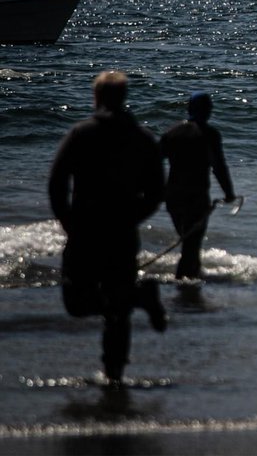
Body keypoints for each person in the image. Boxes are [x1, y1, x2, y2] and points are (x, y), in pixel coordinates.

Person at [48, 70, 167, 384]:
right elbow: (156, 191)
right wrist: (133, 218)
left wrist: (68, 222)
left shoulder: (81, 133)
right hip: (122, 233)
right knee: (118, 307)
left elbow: (57, 184)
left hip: (85, 229)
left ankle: (114, 374)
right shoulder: (142, 138)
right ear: (124, 97)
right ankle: (115, 371)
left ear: (96, 97)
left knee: (76, 302)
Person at [161, 91, 237, 280]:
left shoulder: (171, 132)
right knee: (191, 246)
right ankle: (184, 288)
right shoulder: (210, 134)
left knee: (188, 242)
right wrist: (229, 193)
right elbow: (218, 167)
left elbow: (151, 163)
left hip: (173, 198)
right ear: (207, 111)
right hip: (196, 198)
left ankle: (191, 280)